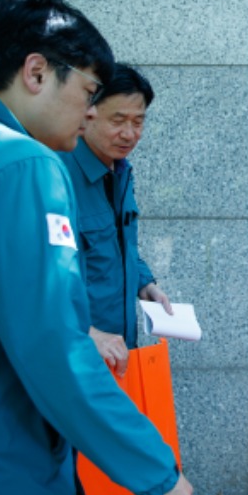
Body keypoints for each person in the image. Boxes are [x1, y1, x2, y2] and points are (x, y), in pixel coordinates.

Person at [0, 0, 192, 495]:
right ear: (36, 73)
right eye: (88, 91)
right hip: (2, 483)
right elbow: (50, 343)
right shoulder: (21, 164)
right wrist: (155, 469)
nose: (90, 113)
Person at [61, 63, 171, 378]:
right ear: (87, 113)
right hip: (77, 352)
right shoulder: (58, 174)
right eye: (118, 120)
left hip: (119, 350)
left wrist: (145, 283)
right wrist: (84, 332)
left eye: (138, 122)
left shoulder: (120, 172)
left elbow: (121, 245)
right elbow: (38, 276)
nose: (129, 134)